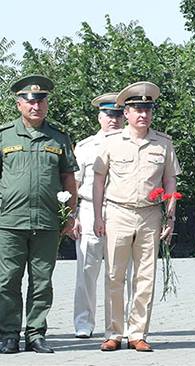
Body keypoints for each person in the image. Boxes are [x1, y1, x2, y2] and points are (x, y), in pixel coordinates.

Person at [93, 81, 181, 352]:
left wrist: (170, 217)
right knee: (114, 275)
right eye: (137, 110)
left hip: (149, 215)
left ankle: (137, 333)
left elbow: (170, 181)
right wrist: (98, 216)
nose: (143, 115)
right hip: (118, 212)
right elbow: (98, 180)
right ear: (126, 113)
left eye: (147, 110)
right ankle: (114, 333)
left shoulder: (163, 143)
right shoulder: (111, 142)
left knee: (145, 276)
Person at [0, 75, 78, 354]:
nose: (36, 106)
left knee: (42, 281)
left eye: (41, 101)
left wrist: (70, 215)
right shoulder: (4, 135)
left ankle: (35, 334)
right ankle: (9, 334)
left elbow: (68, 179)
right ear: (19, 104)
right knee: (7, 280)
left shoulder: (58, 137)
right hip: (9, 221)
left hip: (47, 221)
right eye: (31, 102)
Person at [72, 93, 127, 338]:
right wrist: (73, 215)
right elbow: (74, 183)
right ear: (99, 117)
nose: (113, 120)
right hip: (87, 209)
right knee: (86, 268)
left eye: (118, 114)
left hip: (121, 210)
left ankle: (119, 323)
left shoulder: (130, 143)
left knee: (120, 271)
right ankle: (84, 322)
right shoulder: (85, 147)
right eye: (108, 115)